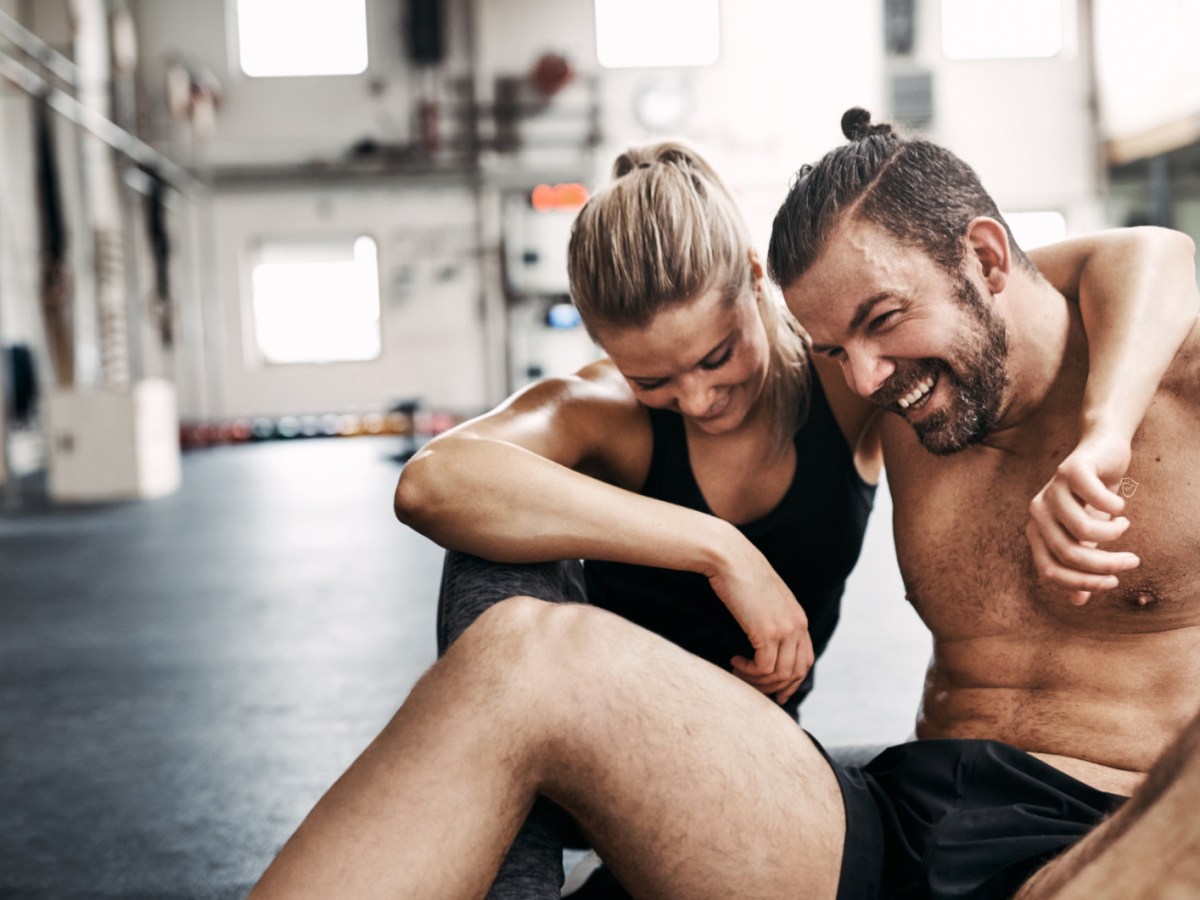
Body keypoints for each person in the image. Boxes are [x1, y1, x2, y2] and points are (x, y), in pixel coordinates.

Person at [249, 117, 1200, 900]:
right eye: (839, 348)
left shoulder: (1155, 371)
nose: (869, 376)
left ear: (988, 259)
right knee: (522, 650)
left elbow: (1153, 255)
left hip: (1099, 839)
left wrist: (1105, 431)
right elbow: (435, 482)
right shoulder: (893, 385)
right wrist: (719, 548)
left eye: (881, 324)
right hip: (896, 818)